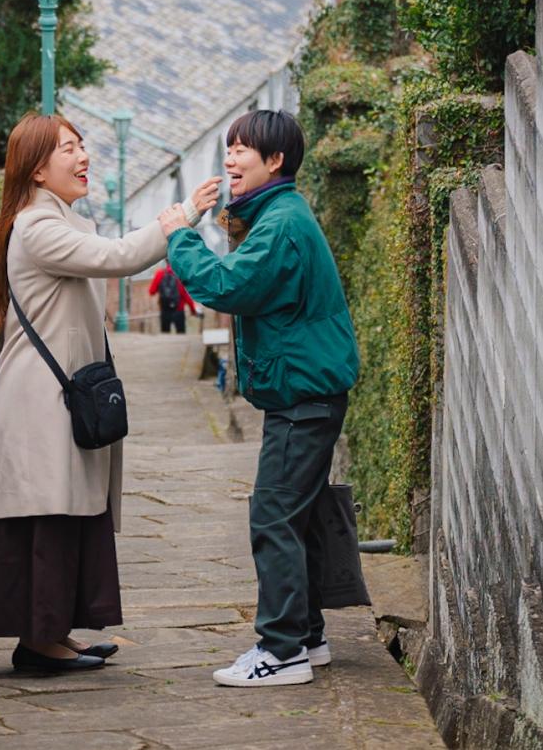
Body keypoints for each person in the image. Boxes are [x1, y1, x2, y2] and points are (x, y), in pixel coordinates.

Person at [0, 113, 219, 673]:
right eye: (68, 150)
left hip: (56, 399)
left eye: (82, 147)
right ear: (35, 170)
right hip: (39, 406)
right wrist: (180, 218)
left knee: (70, 513)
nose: (83, 158)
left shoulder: (60, 219)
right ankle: (39, 642)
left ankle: (54, 634)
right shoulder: (37, 226)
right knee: (48, 517)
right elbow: (118, 258)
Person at [157, 110, 360, 688]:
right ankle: (307, 637)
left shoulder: (281, 224)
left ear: (276, 161)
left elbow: (229, 286)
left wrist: (180, 234)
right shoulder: (278, 215)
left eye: (242, 149)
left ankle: (281, 652)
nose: (230, 158)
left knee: (273, 515)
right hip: (306, 391)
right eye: (228, 147)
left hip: (303, 395)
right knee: (297, 516)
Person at [148, 262, 198, 333]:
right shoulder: (180, 275)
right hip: (179, 310)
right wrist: (193, 310)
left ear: (166, 262)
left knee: (165, 335)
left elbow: (151, 291)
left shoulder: (160, 274)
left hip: (165, 309)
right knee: (181, 335)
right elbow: (186, 296)